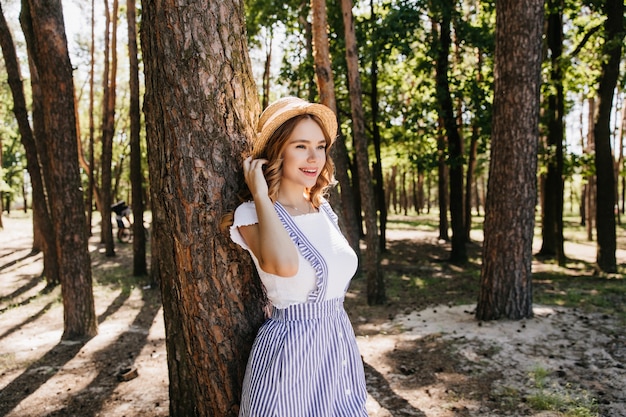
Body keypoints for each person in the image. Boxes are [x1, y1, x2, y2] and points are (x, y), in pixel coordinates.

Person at [228, 96, 368, 416]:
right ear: (278, 151)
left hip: (336, 346)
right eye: (301, 146)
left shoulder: (323, 209)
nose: (314, 157)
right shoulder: (251, 214)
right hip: (290, 353)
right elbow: (285, 265)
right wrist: (262, 195)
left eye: (320, 146)